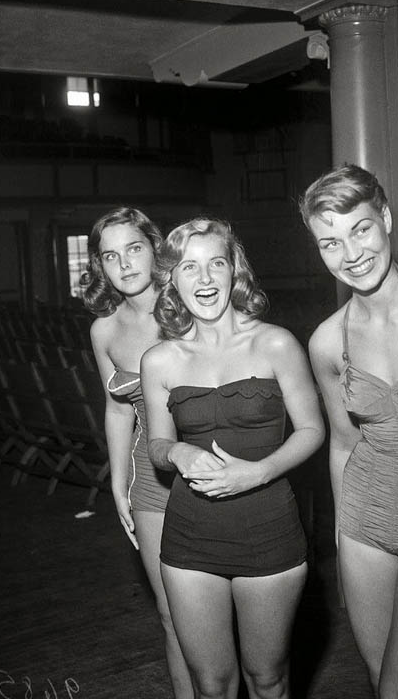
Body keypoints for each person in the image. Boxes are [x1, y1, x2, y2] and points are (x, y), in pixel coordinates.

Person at [141, 217, 325, 699]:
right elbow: (156, 446)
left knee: (268, 680)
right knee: (212, 685)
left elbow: (312, 430)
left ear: (234, 271)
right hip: (190, 536)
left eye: (216, 264)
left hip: (268, 529)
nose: (204, 279)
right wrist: (177, 450)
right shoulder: (159, 360)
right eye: (189, 267)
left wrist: (258, 473)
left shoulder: (275, 343)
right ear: (172, 280)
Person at [299, 165, 398, 699]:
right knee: (380, 683)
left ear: (387, 219)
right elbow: (344, 443)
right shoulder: (329, 341)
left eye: (361, 229)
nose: (351, 254)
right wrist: (338, 534)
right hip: (363, 523)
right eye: (330, 242)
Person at [83, 207, 193, 699]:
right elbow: (117, 410)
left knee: (219, 614)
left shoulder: (189, 307)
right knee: (172, 615)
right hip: (149, 478)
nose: (124, 264)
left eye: (134, 248)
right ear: (99, 265)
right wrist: (116, 482)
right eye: (110, 256)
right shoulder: (104, 330)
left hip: (211, 465)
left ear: (155, 248)